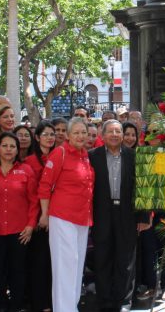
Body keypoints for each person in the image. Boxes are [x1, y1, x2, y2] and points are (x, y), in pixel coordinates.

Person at [90, 120, 149, 312]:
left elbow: (143, 187)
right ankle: (105, 300)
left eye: (118, 131)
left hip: (127, 214)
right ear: (103, 135)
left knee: (126, 261)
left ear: (123, 135)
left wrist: (143, 217)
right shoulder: (92, 156)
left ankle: (124, 301)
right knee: (102, 258)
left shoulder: (134, 156)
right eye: (110, 131)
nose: (114, 135)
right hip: (101, 214)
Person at [38, 118, 95, 312]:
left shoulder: (85, 155)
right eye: (76, 132)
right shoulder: (59, 153)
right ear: (68, 136)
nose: (80, 136)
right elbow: (45, 186)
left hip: (82, 217)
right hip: (63, 217)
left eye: (83, 132)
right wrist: (44, 214)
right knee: (65, 266)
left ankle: (72, 306)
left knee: (77, 265)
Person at [0, 132, 38, 312]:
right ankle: (2, 305)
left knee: (18, 271)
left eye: (13, 146)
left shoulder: (26, 170)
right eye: (5, 145)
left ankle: (16, 306)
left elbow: (34, 201)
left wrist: (30, 225)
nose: (9, 149)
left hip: (20, 232)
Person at [26, 121, 56, 312]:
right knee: (38, 262)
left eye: (52, 134)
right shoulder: (29, 161)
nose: (50, 138)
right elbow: (31, 194)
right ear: (37, 137)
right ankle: (39, 303)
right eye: (45, 134)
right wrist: (38, 216)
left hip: (57, 215)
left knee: (53, 263)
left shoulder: (58, 156)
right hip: (38, 217)